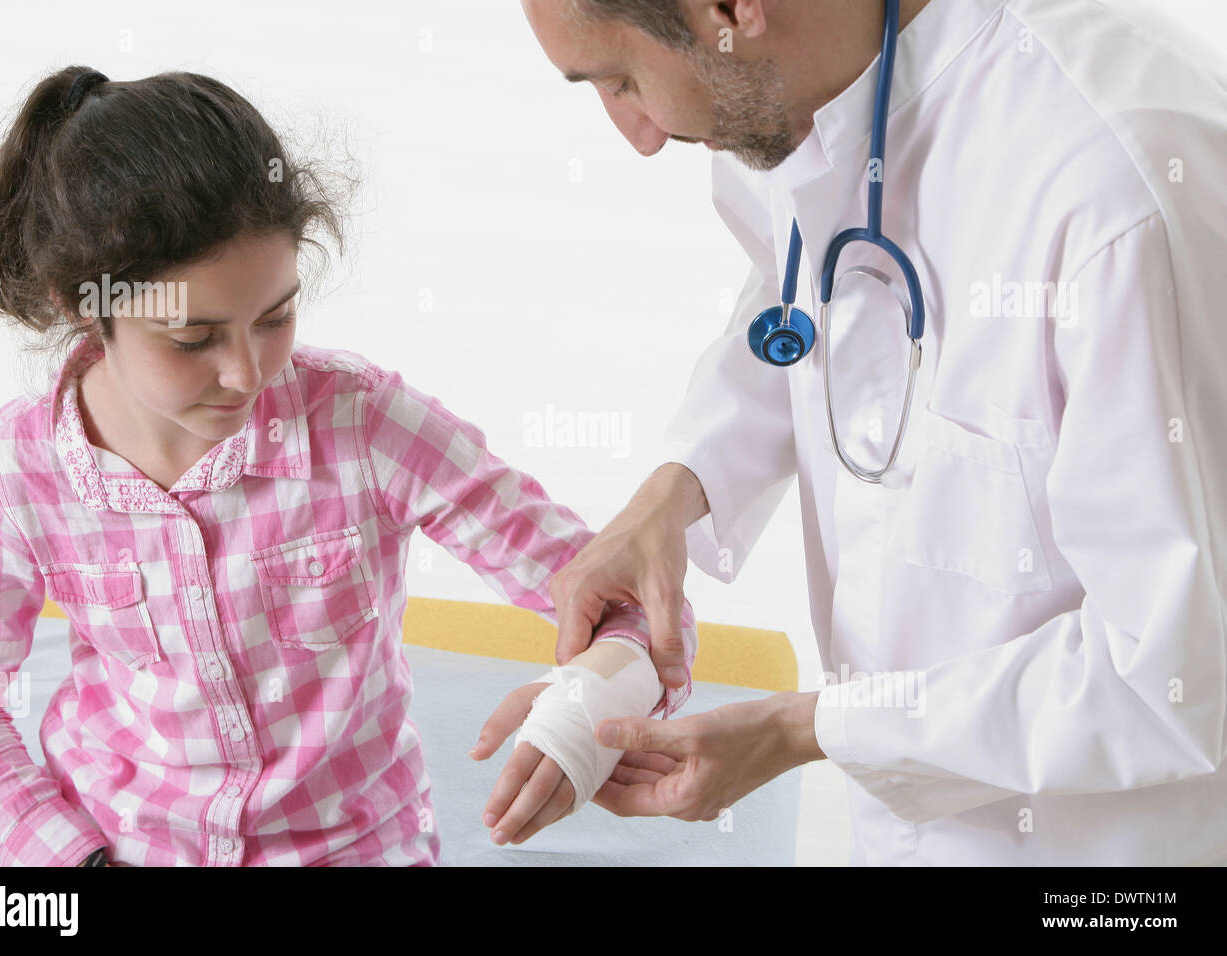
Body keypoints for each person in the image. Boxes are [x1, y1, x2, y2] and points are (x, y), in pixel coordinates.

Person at [0, 66, 697, 866]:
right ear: (80, 304)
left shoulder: (364, 425)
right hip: (117, 846)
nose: (247, 373)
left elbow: (629, 600)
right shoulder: (10, 475)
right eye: (193, 340)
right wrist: (74, 862)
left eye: (276, 316)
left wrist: (589, 701)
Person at [521, 0, 1227, 864]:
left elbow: (1175, 676)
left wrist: (804, 728)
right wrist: (678, 486)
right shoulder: (806, 87)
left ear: (729, 11)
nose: (638, 134)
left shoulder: (1116, 198)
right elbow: (818, 295)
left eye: (622, 80)